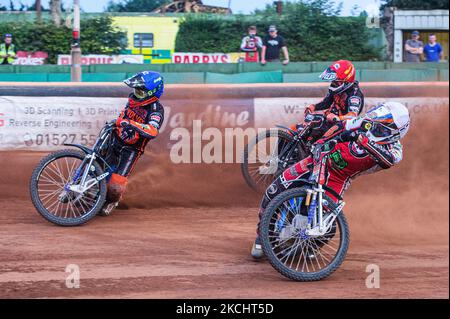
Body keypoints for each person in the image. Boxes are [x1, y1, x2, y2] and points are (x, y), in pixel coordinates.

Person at [251, 101, 410, 259]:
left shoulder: (395, 150)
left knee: (326, 224)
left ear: (395, 133)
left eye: (382, 128)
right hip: (318, 160)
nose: (374, 128)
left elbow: (387, 161)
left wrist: (363, 140)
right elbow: (341, 126)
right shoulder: (366, 122)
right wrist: (322, 141)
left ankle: (308, 248)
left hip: (338, 178)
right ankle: (262, 235)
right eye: (377, 123)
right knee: (273, 191)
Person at [100, 71, 165, 216]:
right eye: (135, 91)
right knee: (95, 164)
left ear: (152, 92)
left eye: (140, 92)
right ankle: (77, 184)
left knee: (115, 187)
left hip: (132, 150)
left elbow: (153, 130)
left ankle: (112, 201)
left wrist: (131, 124)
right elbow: (123, 116)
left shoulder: (156, 109)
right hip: (115, 139)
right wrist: (116, 123)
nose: (136, 95)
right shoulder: (132, 101)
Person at [291, 60, 364, 143]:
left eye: (336, 82)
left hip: (341, 126)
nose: (333, 84)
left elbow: (353, 115)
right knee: (298, 128)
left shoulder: (354, 94)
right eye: (332, 82)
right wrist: (313, 107)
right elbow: (326, 103)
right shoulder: (336, 90)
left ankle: (315, 151)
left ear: (346, 81)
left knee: (320, 142)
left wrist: (337, 118)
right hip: (328, 120)